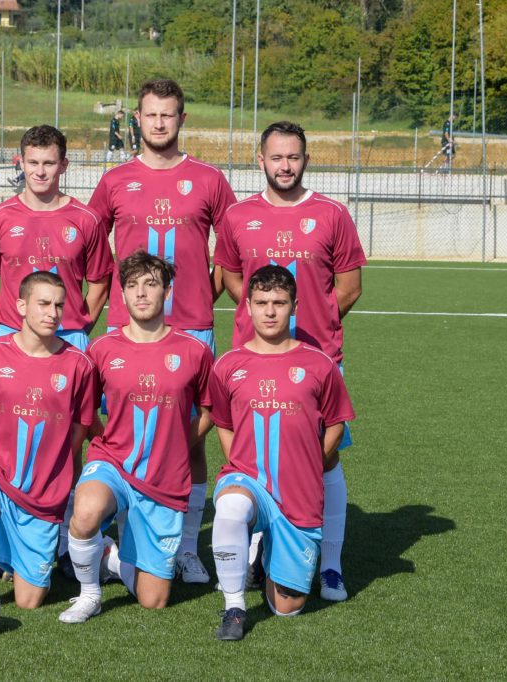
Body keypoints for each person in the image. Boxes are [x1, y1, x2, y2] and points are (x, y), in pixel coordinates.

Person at [88, 78, 236, 584]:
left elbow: (231, 249)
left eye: (167, 114)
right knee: (121, 437)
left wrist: (202, 296)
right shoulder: (115, 180)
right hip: (125, 333)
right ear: (137, 118)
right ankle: (125, 541)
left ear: (181, 119)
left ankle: (188, 548)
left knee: (191, 442)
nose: (158, 123)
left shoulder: (209, 179)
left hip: (191, 331)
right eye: (150, 114)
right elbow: (91, 244)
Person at [214, 120, 365, 601]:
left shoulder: (332, 214)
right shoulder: (238, 215)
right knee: (254, 458)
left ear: (306, 160)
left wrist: (314, 325)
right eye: (276, 157)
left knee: (325, 457)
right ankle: (258, 551)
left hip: (318, 360)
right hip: (254, 360)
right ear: (260, 160)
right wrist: (265, 326)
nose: (285, 166)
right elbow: (232, 279)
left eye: (293, 157)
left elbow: (350, 287)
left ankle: (331, 566)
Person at [0, 124, 111, 573]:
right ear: (20, 163)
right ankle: (4, 545)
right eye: (32, 162)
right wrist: (6, 319)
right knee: (7, 439)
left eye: (49, 163)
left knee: (69, 442)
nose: (40, 171)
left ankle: (66, 541)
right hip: (11, 339)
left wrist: (81, 323)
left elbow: (99, 281)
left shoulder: (86, 219)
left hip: (68, 339)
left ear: (64, 165)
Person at [59, 251, 214, 623]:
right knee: (86, 513)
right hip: (113, 464)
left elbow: (211, 411)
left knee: (153, 600)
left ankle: (111, 558)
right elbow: (85, 411)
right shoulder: (101, 349)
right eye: (132, 286)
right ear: (123, 295)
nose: (141, 293)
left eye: (150, 284)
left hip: (164, 477)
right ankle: (89, 594)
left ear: (167, 291)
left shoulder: (194, 351)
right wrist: (107, 442)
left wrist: (179, 445)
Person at [208, 265, 355, 640]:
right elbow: (223, 422)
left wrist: (312, 463)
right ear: (248, 307)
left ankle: (265, 555)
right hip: (249, 483)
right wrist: (239, 467)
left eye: (279, 303)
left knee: (287, 608)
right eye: (261, 303)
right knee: (231, 506)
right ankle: (234, 607)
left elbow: (336, 423)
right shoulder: (228, 365)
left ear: (294, 306)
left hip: (298, 495)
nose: (270, 311)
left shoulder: (319, 364)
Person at [0, 271, 97, 609]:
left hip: (41, 489)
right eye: (43, 304)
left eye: (58, 305)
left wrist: (55, 474)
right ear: (22, 306)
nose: (52, 313)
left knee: (29, 601)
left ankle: (22, 550)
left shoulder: (79, 364)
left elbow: (78, 431)